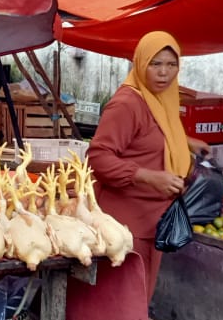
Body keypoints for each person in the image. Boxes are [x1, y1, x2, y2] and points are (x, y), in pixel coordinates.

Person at [85, 31, 210, 303]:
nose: (164, 73)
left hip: (152, 220)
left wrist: (185, 142)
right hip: (125, 227)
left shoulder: (162, 98)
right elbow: (98, 156)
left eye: (171, 64)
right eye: (155, 64)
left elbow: (154, 130)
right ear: (140, 63)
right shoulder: (127, 103)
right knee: (119, 307)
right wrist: (147, 177)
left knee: (137, 300)